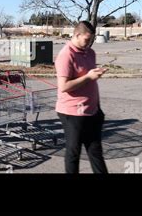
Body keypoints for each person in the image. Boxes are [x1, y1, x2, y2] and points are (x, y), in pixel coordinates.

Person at [55, 21, 109, 174]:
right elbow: (64, 86)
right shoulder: (66, 55)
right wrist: (88, 77)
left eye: (91, 40)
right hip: (72, 113)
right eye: (86, 39)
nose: (89, 43)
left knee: (96, 152)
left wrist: (95, 75)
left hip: (92, 111)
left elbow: (88, 78)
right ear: (77, 35)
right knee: (74, 153)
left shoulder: (90, 52)